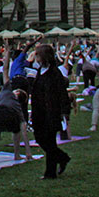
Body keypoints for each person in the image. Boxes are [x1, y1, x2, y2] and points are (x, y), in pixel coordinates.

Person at [30, 43, 71, 179]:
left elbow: (62, 93)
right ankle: (62, 157)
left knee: (50, 141)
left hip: (51, 112)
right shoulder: (39, 71)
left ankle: (50, 173)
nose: (36, 57)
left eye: (38, 54)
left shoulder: (54, 73)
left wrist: (65, 112)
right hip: (39, 112)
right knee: (40, 139)